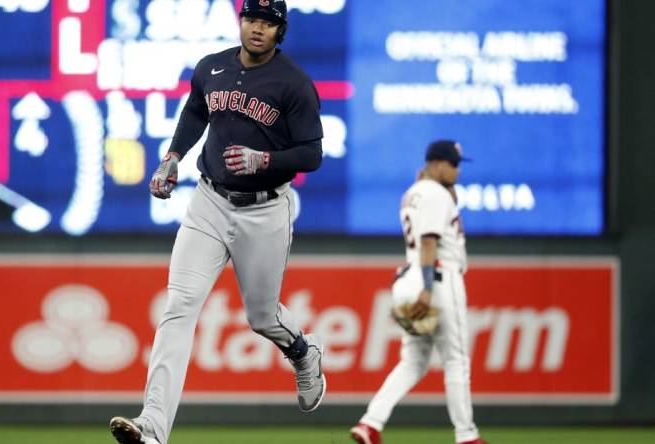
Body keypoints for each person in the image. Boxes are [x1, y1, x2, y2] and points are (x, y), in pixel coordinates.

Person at [109, 1, 326, 443]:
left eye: (268, 22)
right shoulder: (212, 68)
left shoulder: (294, 84)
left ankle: (303, 353)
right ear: (241, 21)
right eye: (252, 18)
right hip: (208, 202)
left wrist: (264, 158)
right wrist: (172, 157)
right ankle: (152, 427)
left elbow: (312, 154)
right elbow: (195, 112)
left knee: (262, 317)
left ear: (280, 30)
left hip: (265, 210)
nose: (258, 28)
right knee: (178, 308)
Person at [350, 140, 487, 444]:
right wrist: (427, 289)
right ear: (438, 164)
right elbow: (429, 241)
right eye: (454, 165)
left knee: (413, 360)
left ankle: (370, 423)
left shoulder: (412, 193)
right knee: (456, 359)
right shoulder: (437, 193)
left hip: (406, 282)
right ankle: (467, 436)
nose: (458, 171)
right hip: (437, 279)